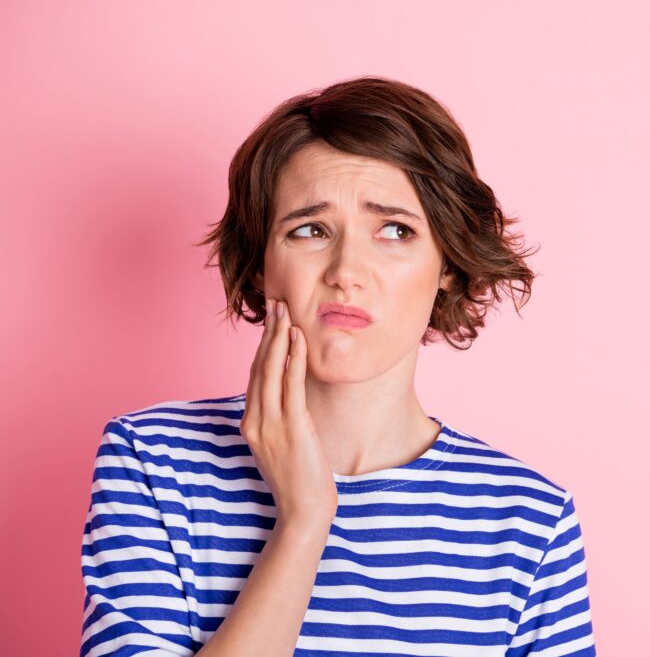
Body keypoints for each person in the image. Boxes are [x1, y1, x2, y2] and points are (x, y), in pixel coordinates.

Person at [79, 76, 596, 657]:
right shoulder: (153, 461)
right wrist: (304, 522)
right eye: (311, 230)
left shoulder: (529, 520)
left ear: (447, 263)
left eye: (396, 231)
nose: (347, 270)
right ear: (260, 265)